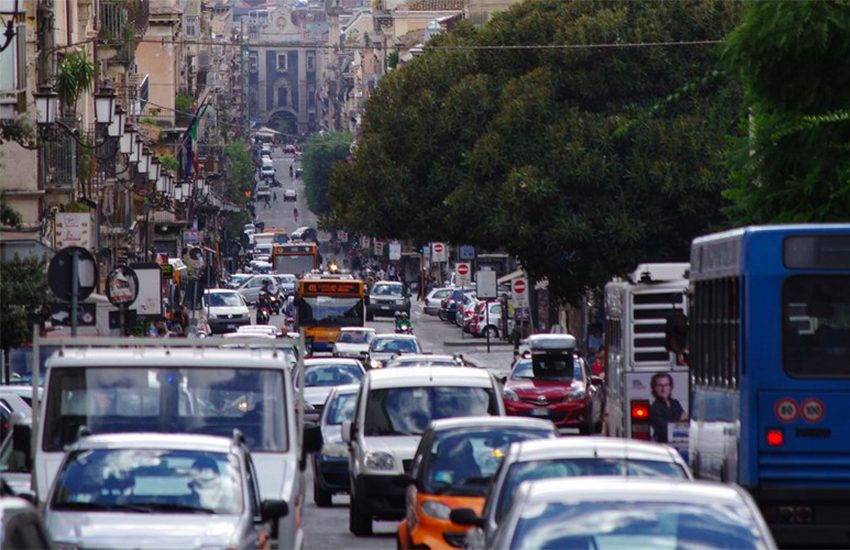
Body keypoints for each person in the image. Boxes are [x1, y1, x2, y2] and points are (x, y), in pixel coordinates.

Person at [649, 372, 688, 443]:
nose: (663, 389)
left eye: (666, 385)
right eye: (660, 386)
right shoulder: (654, 409)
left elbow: (687, 424)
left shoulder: (675, 403)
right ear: (655, 388)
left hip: (680, 445)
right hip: (663, 447)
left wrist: (676, 425)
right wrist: (680, 422)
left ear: (670, 387)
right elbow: (667, 432)